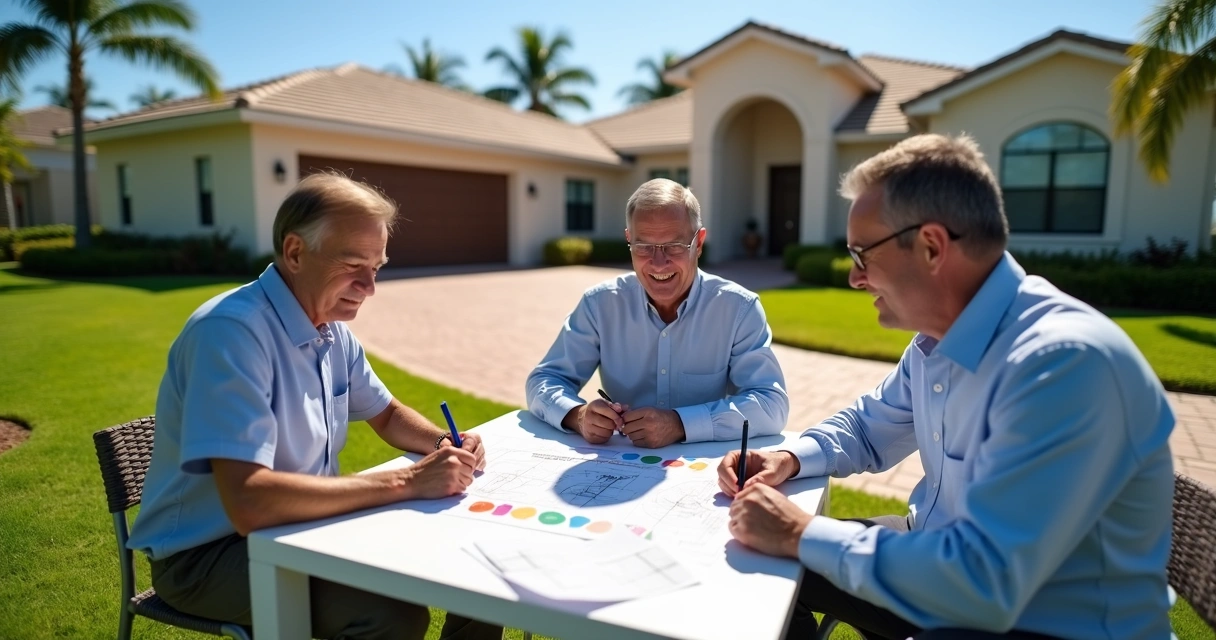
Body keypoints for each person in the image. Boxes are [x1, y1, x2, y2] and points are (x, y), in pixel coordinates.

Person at [718, 134, 1175, 639]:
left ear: (932, 246)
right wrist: (791, 458)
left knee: (792, 551)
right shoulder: (938, 344)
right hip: (940, 563)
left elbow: (983, 583)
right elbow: (870, 428)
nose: (854, 277)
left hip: (1033, 622)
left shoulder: (1061, 365)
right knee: (771, 568)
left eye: (861, 253)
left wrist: (799, 532)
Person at [128, 173, 503, 640]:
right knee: (391, 614)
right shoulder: (230, 333)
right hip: (209, 555)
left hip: (305, 526)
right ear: (295, 252)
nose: (369, 286)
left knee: (478, 559)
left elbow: (385, 413)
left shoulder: (329, 328)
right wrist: (409, 480)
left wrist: (445, 442)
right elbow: (250, 503)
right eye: (352, 264)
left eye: (377, 266)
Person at [526, 178, 789, 448]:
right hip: (619, 468)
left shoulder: (738, 309)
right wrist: (576, 415)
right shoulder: (600, 304)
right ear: (629, 240)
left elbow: (771, 404)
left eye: (674, 246)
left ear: (698, 243)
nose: (659, 262)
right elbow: (545, 380)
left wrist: (679, 424)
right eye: (644, 247)